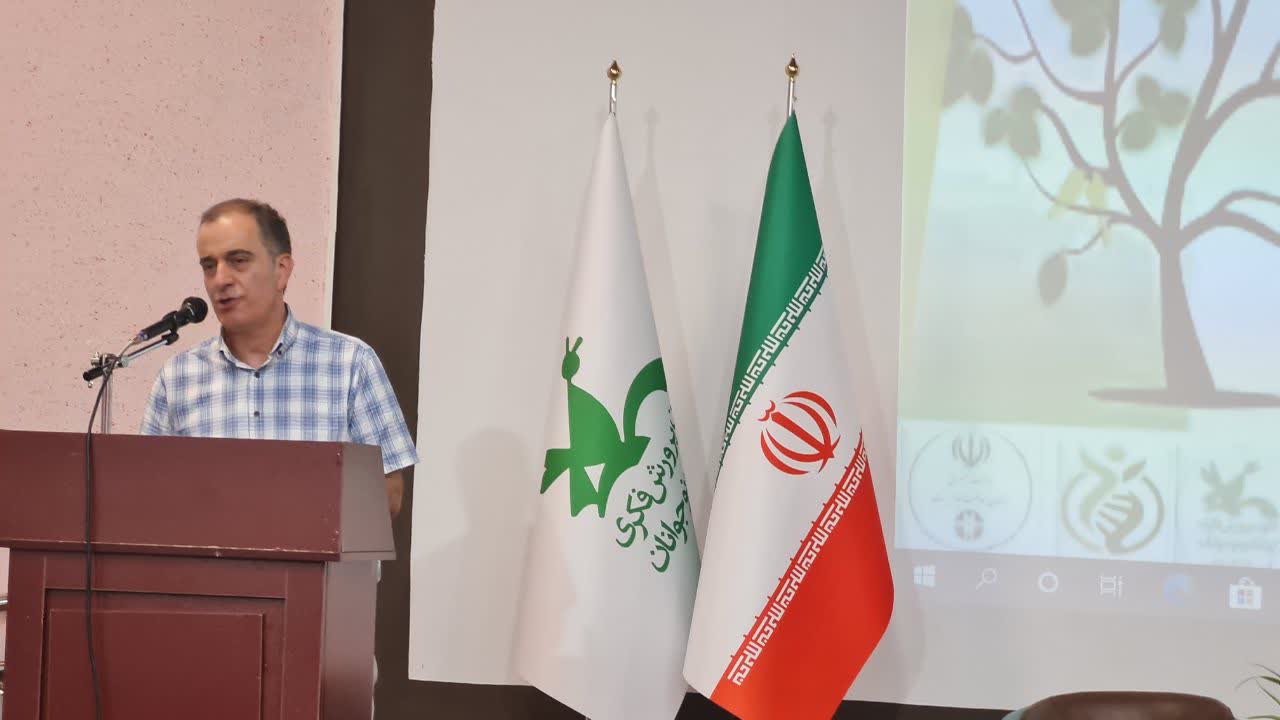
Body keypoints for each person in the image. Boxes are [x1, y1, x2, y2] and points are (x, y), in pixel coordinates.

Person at [140, 198, 418, 515]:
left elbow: (389, 494)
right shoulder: (178, 377)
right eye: (209, 266)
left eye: (238, 261)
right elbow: (148, 497)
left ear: (281, 271)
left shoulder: (350, 363)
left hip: (314, 548)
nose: (220, 279)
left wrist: (296, 509)